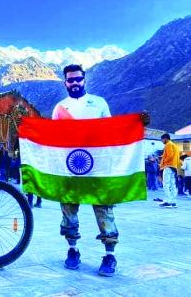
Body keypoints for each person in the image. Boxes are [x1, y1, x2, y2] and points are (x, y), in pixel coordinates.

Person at [51, 64, 149, 277]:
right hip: (71, 167)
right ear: (65, 82)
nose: (74, 83)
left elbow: (112, 132)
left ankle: (110, 255)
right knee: (68, 209)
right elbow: (53, 139)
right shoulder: (59, 108)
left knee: (104, 209)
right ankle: (72, 251)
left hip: (98, 168)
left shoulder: (99, 103)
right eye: (70, 80)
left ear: (84, 80)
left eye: (78, 79)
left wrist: (136, 124)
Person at [158, 133, 180, 208]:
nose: (162, 141)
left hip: (168, 166)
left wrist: (163, 162)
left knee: (166, 184)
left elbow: (170, 156)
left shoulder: (168, 144)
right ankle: (173, 201)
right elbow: (172, 156)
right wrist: (162, 157)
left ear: (165, 138)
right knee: (172, 184)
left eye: (162, 139)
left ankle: (168, 201)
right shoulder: (174, 145)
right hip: (174, 167)